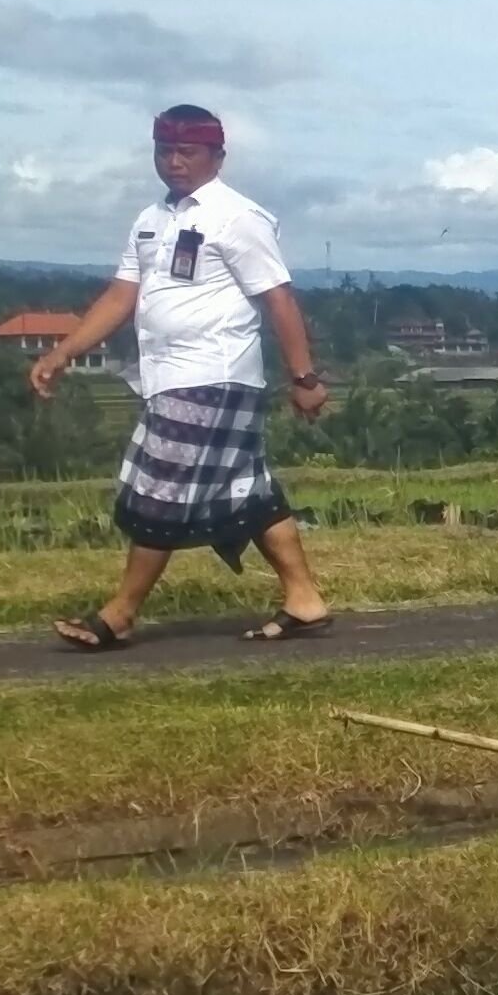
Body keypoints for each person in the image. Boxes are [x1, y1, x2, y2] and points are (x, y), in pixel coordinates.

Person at [37, 105, 335, 650]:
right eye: (164, 151)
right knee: (247, 492)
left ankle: (121, 613)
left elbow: (279, 299)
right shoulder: (152, 219)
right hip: (166, 376)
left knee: (159, 492)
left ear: (217, 157)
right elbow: (122, 295)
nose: (173, 162)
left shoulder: (236, 217)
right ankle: (305, 598)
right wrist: (63, 352)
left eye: (187, 152)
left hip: (213, 376)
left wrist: (304, 376)